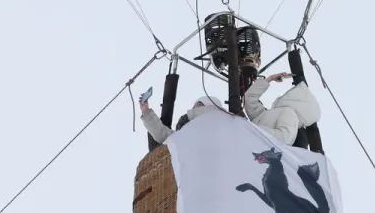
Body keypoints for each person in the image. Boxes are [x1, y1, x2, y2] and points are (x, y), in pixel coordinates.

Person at [138, 62, 321, 148]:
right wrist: (268, 80)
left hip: (244, 144)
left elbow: (283, 139)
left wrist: (251, 132)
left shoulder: (289, 115)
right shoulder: (269, 114)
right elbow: (250, 99)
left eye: (200, 105)